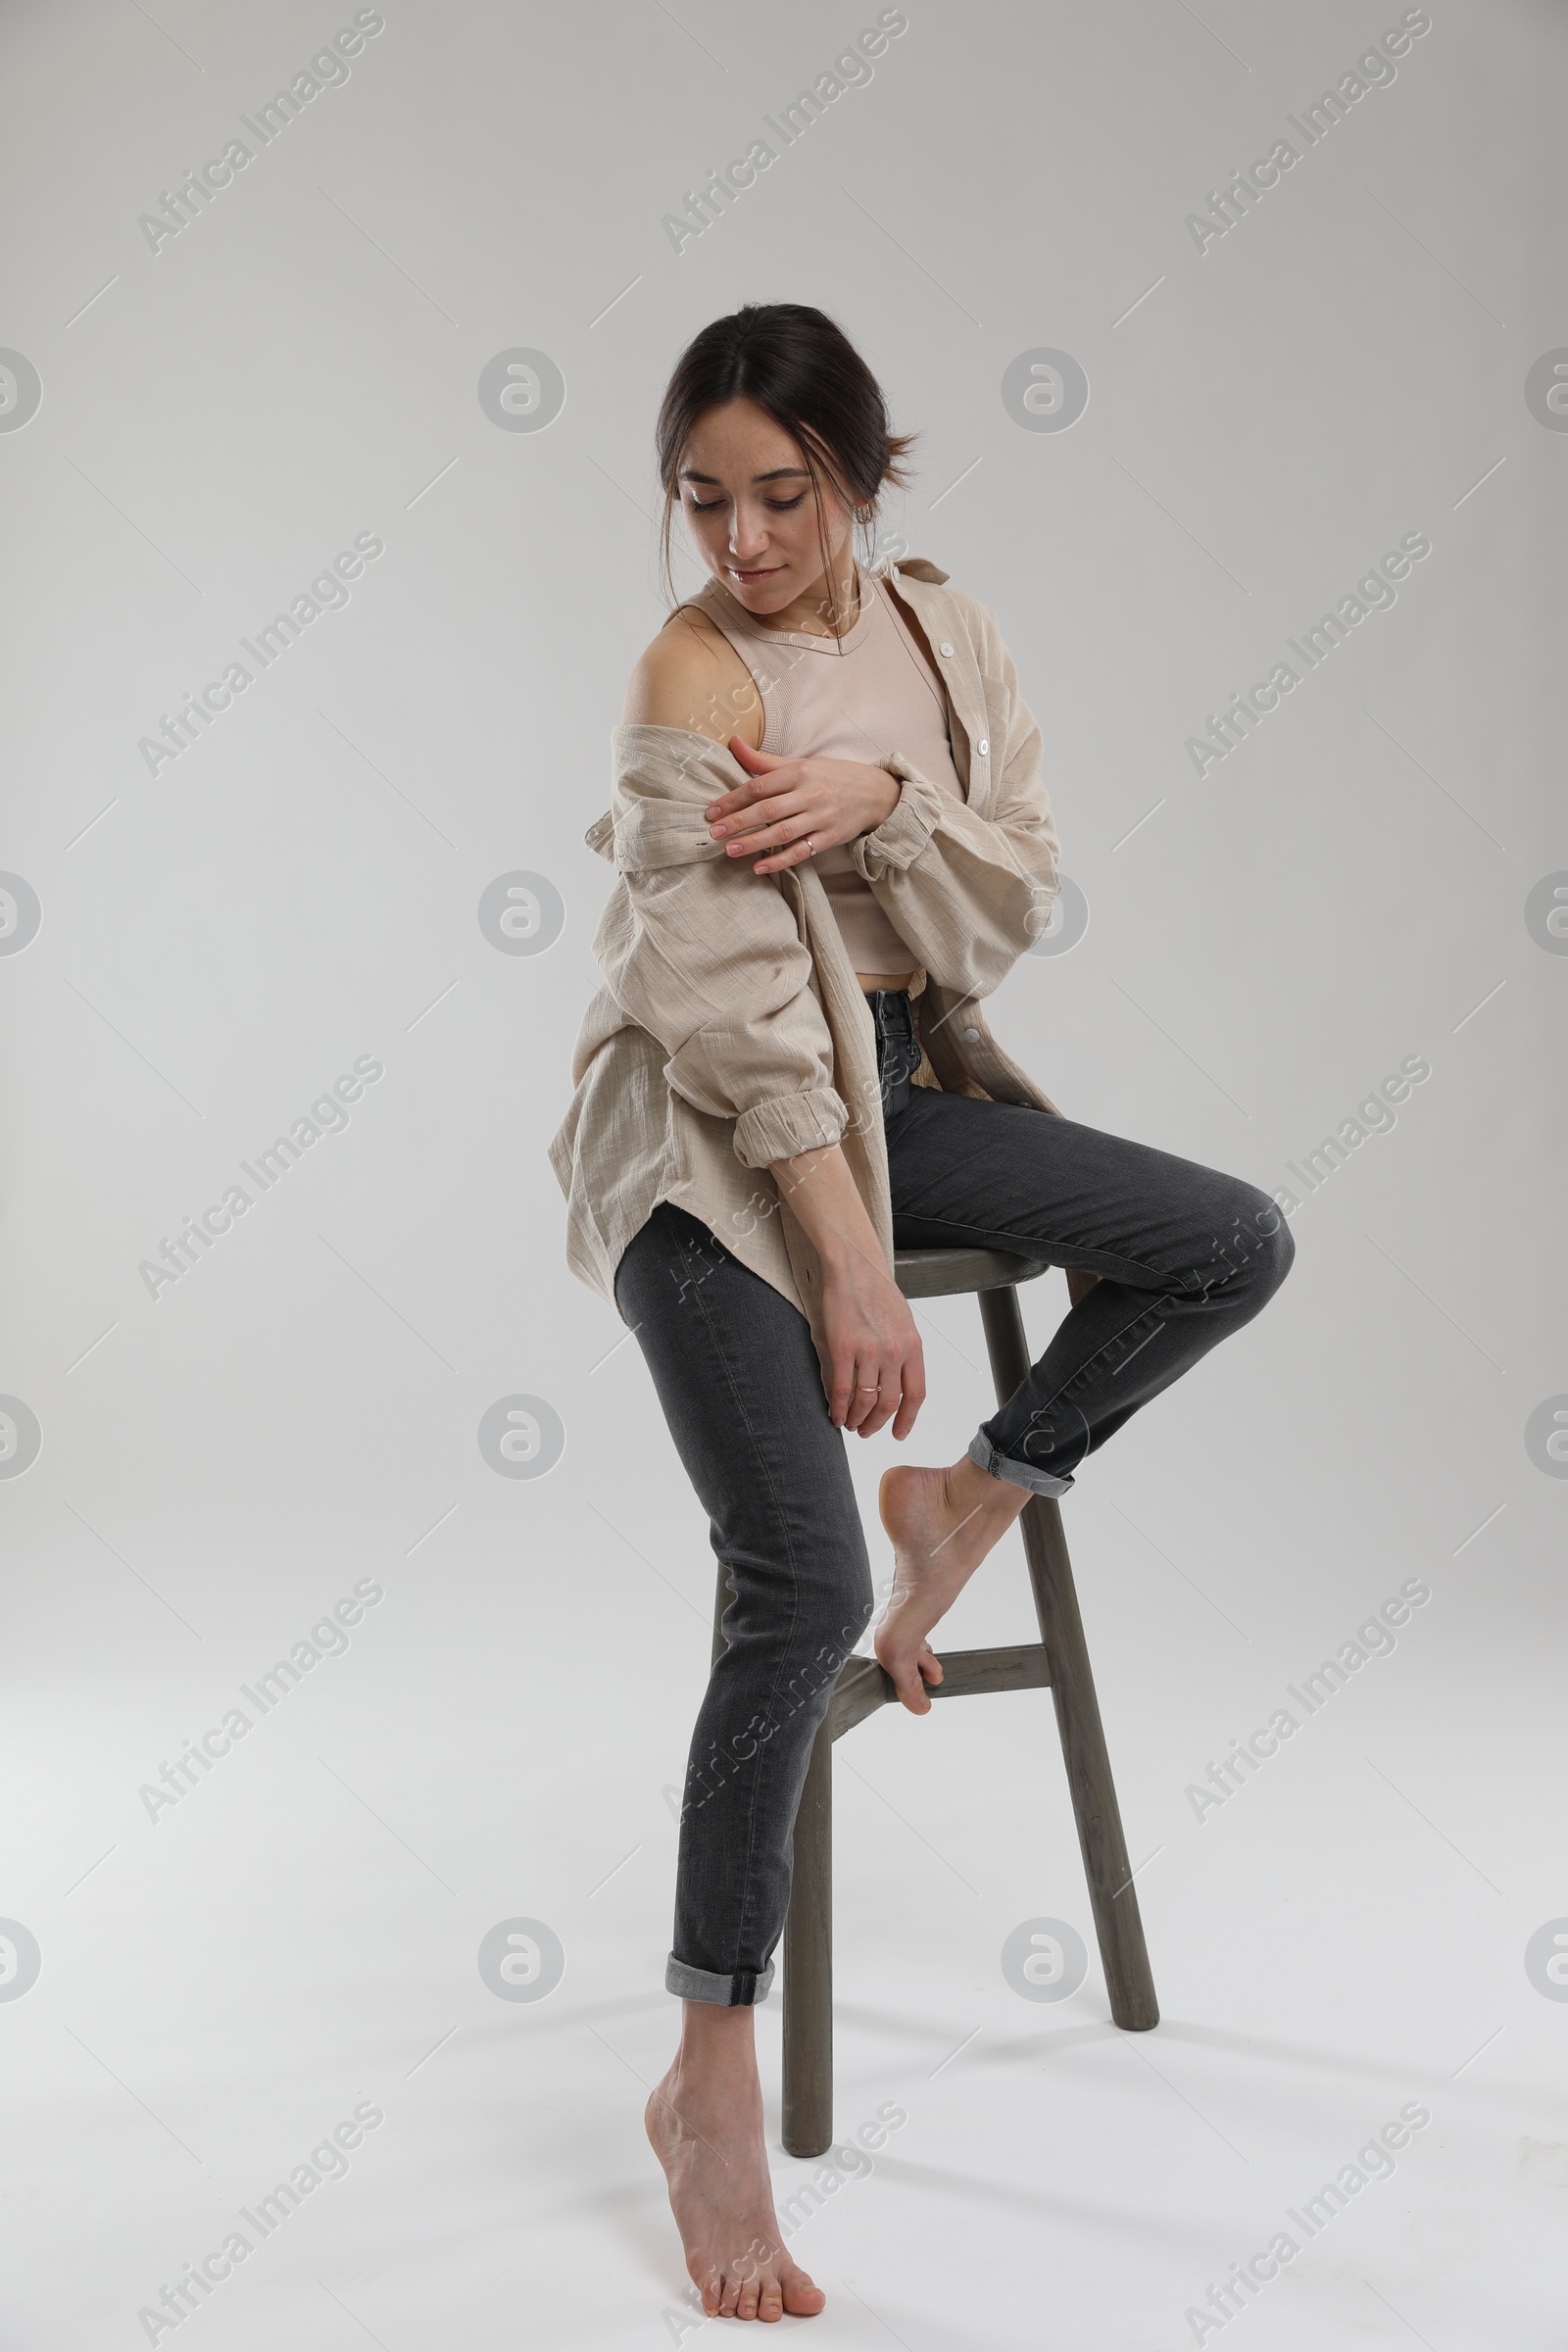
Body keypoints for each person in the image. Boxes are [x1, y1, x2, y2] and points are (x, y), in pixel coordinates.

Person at [548, 302, 1294, 2323]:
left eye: (782, 494)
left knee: (1225, 1237)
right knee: (788, 1584)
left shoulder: (945, 638)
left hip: (898, 1093)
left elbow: (1013, 894)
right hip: (713, 1133)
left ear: (860, 479)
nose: (742, 538)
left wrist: (874, 799)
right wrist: (846, 1259)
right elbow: (714, 996)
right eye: (702, 499)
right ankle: (706, 2079)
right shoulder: (684, 670)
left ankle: (971, 1501)